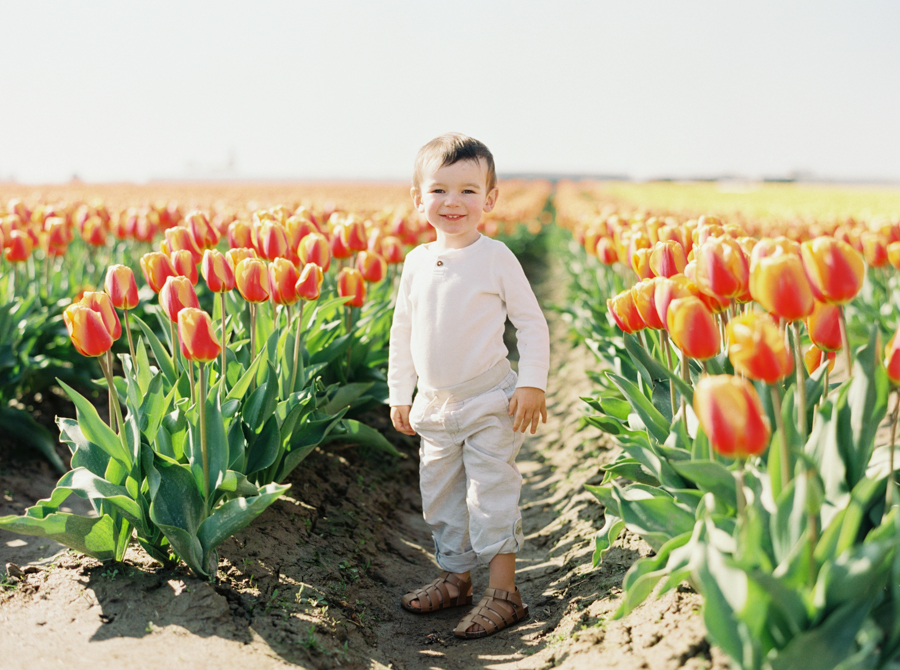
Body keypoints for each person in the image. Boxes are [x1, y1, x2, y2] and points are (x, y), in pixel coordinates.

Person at [388, 132, 550, 639]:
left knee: (490, 493)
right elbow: (403, 332)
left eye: (468, 190)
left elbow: (532, 324)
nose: (452, 202)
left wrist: (532, 384)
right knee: (440, 497)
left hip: (489, 401)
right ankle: (456, 580)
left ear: (491, 199)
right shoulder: (415, 263)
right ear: (418, 199)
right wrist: (400, 392)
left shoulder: (496, 256)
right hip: (435, 407)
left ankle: (505, 594)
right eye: (439, 190)